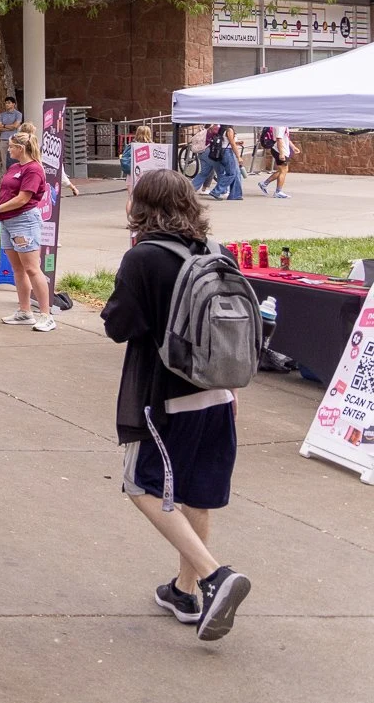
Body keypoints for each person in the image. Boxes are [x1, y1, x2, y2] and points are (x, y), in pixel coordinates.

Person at [101, 169, 252, 642]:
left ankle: (212, 575)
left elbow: (118, 326)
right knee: (197, 493)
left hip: (166, 399)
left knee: (140, 484)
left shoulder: (143, 257)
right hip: (220, 393)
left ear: (141, 206)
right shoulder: (216, 251)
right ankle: (185, 593)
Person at [0, 131, 54, 331]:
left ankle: (46, 314)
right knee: (18, 269)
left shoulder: (33, 169)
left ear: (21, 149)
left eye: (12, 147)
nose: (9, 149)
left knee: (32, 268)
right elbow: (3, 191)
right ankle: (24, 311)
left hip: (24, 221)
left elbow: (23, 198)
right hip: (6, 221)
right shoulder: (15, 167)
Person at [258, 126, 298, 199]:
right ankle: (278, 191)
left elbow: (285, 137)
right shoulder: (280, 126)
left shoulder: (283, 125)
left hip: (282, 150)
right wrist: (281, 153)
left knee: (282, 170)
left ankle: (264, 184)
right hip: (279, 150)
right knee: (283, 170)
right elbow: (279, 139)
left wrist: (293, 147)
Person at [0, 96, 24, 166]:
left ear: (13, 104)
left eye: (9, 103)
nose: (7, 104)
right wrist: (10, 127)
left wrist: (4, 126)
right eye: (6, 103)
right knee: (4, 160)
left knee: (14, 159)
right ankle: (6, 175)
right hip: (3, 139)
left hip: (13, 140)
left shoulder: (18, 114)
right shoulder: (1, 115)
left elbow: (15, 126)